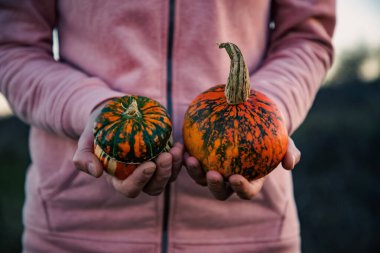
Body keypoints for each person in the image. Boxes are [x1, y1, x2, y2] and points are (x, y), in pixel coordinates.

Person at [0, 0, 335, 252]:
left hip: (250, 231)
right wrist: (97, 110)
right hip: (75, 228)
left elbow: (308, 36)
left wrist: (268, 110)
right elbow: (12, 44)